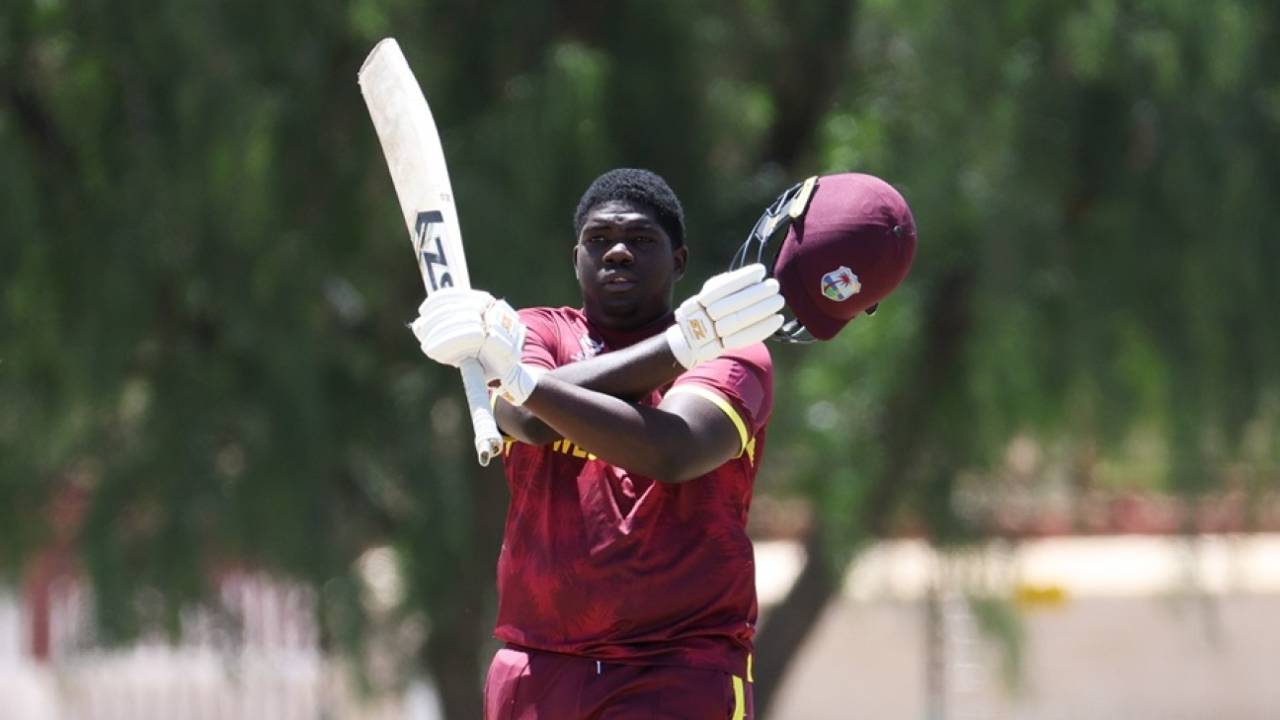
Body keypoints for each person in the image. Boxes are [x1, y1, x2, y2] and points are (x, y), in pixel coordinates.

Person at [412, 168, 783, 719]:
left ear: (678, 260)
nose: (617, 253)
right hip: (538, 666)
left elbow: (672, 451)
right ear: (576, 255)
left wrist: (688, 344)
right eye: (599, 240)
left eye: (639, 240)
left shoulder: (730, 350)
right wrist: (677, 346)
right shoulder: (535, 332)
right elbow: (526, 419)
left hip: (676, 668)